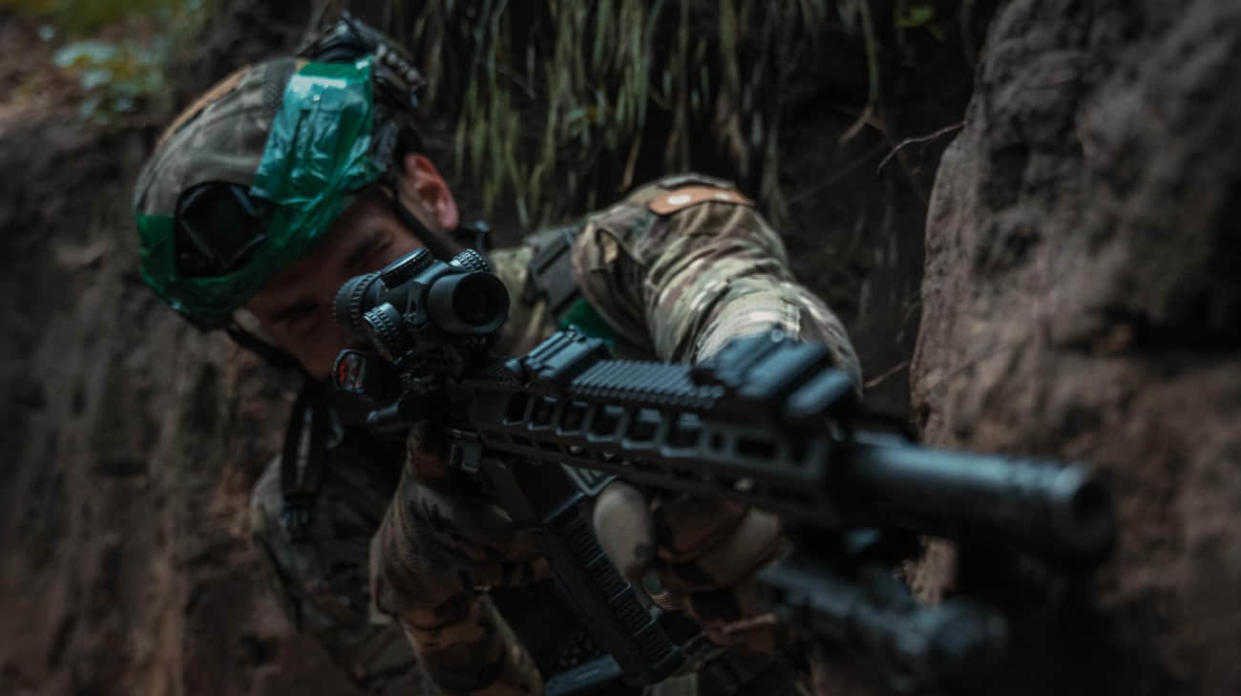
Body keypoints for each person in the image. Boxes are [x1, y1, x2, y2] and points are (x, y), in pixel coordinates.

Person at [131, 15, 861, 696]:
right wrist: (431, 606)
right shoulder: (317, 507)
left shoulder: (618, 261)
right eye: (299, 316)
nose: (356, 322)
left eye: (371, 259)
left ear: (429, 191)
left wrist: (745, 425)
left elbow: (744, 305)